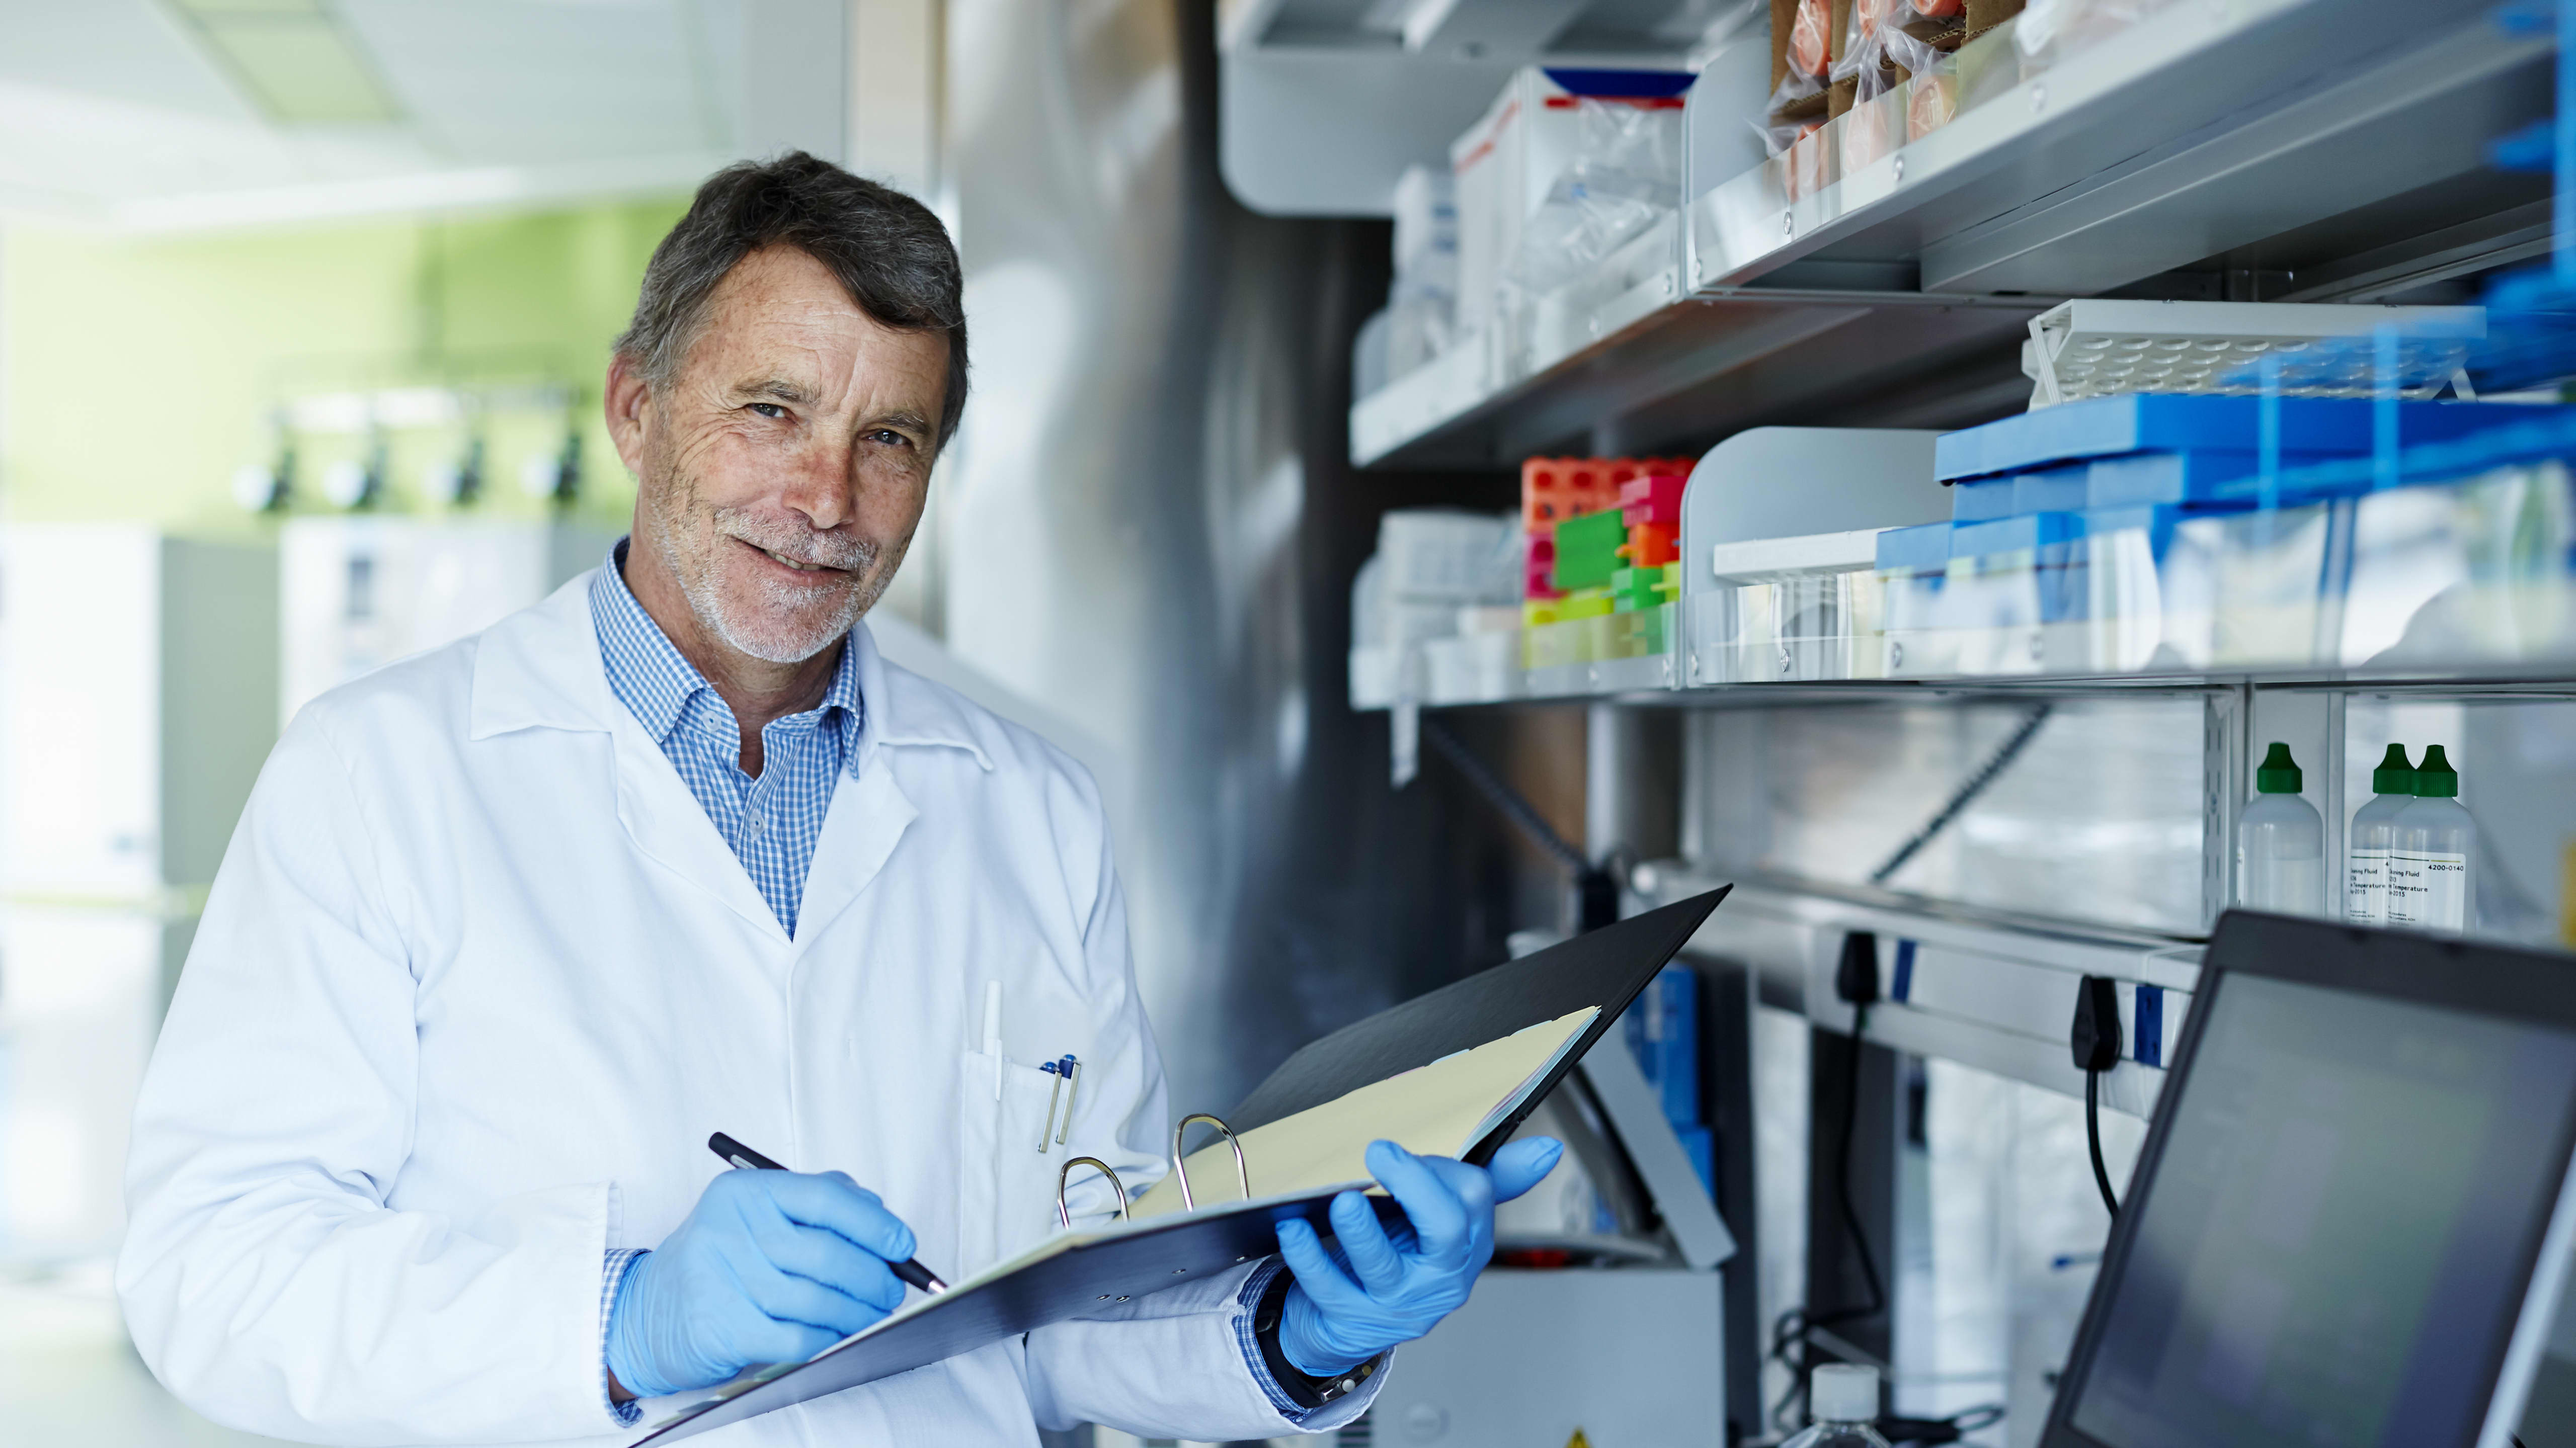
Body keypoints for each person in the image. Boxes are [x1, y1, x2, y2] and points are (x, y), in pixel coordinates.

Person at [115, 152, 1562, 1446]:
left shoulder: (1034, 810)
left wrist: (1295, 1335)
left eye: (893, 439)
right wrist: (615, 1321)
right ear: (637, 407)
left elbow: (1064, 1306)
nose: (827, 499)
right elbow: (211, 1276)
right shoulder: (382, 770)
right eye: (772, 410)